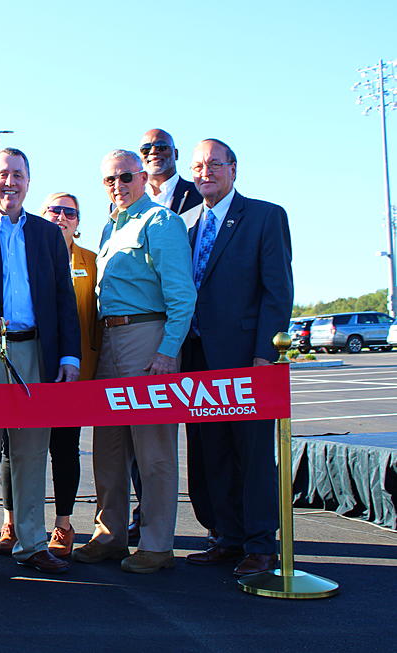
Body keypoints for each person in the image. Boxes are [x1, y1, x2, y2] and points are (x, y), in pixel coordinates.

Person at [0, 149, 80, 579]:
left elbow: (63, 297)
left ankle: (32, 542)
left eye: (18, 175)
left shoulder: (46, 233)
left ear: (29, 180)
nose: (10, 182)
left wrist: (69, 354)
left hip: (34, 350)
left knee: (31, 451)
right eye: (2, 174)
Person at [73, 149, 195, 574]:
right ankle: (110, 536)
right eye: (109, 180)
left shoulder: (162, 222)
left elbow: (182, 295)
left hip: (148, 338)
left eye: (126, 177)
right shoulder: (111, 226)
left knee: (154, 447)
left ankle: (158, 545)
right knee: (107, 446)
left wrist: (167, 351)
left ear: (143, 178)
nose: (118, 186)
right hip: (110, 338)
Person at [182, 139, 292, 577]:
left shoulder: (265, 216)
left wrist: (265, 353)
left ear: (233, 169)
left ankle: (262, 544)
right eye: (197, 166)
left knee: (252, 454)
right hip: (197, 358)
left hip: (246, 359)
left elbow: (277, 291)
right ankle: (226, 537)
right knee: (213, 453)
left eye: (213, 164)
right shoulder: (186, 223)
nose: (204, 172)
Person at [0, 192, 99, 558]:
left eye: (69, 212)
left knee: (65, 447)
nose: (61, 217)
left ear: (78, 221)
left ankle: (63, 524)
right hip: (30, 360)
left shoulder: (91, 261)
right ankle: (12, 521)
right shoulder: (30, 248)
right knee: (15, 447)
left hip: (70, 371)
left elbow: (86, 317)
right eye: (54, 210)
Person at [137, 128, 209, 545]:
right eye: (146, 149)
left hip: (187, 334)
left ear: (175, 153)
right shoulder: (125, 200)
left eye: (161, 147)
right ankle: (141, 515)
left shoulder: (196, 196)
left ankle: (219, 529)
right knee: (136, 441)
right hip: (142, 338)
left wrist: (171, 344)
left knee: (187, 441)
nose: (153, 154)